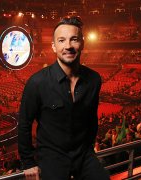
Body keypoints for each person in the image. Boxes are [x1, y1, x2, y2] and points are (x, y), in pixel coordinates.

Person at [18, 16, 109, 180]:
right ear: (53, 46)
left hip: (84, 156)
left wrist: (88, 149)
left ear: (82, 43)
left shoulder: (94, 79)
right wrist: (28, 162)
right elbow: (24, 124)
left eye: (74, 39)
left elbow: (92, 120)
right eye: (61, 40)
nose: (68, 46)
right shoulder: (37, 82)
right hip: (52, 158)